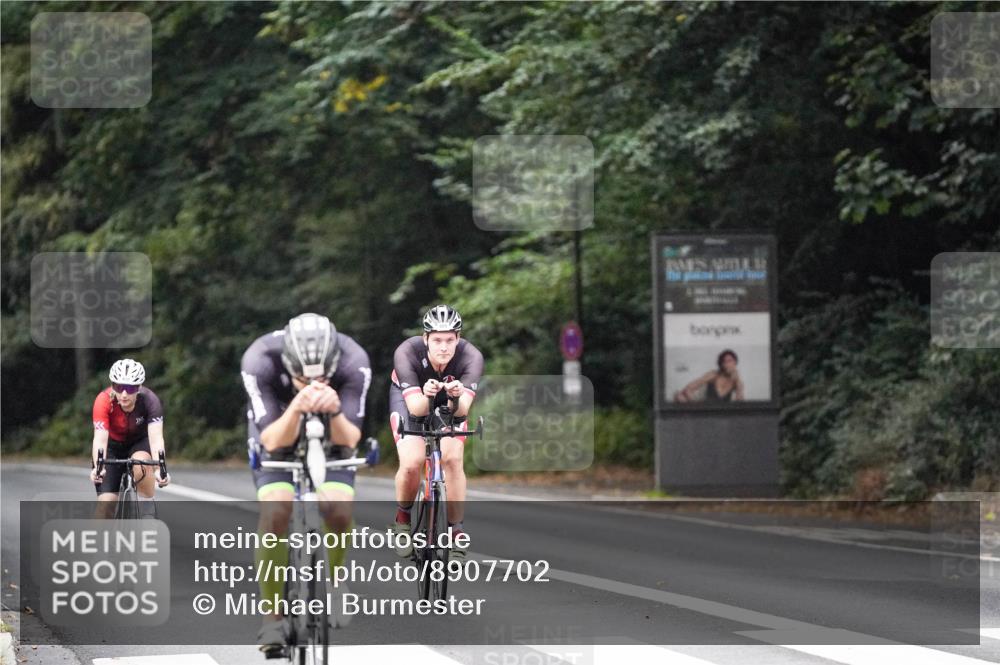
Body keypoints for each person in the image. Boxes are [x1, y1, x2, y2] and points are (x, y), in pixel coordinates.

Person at [240, 312, 371, 654]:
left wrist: (336, 411)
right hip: (278, 435)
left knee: (340, 512)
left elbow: (352, 437)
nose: (313, 384)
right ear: (287, 363)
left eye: (322, 378)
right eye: (301, 377)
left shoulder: (353, 359)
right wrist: (297, 406)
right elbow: (270, 440)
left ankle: (336, 579)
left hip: (332, 441)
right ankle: (272, 619)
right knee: (277, 512)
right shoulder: (260, 360)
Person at [388, 304, 483, 563]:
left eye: (449, 340)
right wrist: (427, 393)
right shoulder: (407, 352)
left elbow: (461, 411)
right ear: (425, 339)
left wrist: (453, 397)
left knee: (452, 459)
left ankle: (456, 530)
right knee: (412, 463)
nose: (444, 347)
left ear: (458, 339)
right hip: (412, 400)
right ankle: (403, 518)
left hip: (449, 403)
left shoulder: (471, 357)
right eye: (437, 340)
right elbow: (417, 409)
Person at [90, 359, 170, 518]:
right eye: (119, 387)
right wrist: (99, 468)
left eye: (130, 388)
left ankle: (147, 513)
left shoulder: (150, 401)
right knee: (106, 506)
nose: (124, 394)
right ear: (112, 386)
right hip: (112, 446)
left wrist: (160, 470)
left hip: (139, 443)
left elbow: (156, 439)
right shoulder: (103, 401)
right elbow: (100, 439)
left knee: (141, 463)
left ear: (139, 387)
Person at [674, 349, 745, 403]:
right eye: (724, 362)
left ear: (735, 362)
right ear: (721, 364)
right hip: (703, 408)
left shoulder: (737, 382)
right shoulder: (714, 374)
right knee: (680, 396)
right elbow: (689, 388)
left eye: (730, 361)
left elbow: (740, 404)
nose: (727, 364)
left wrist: (737, 379)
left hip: (721, 415)